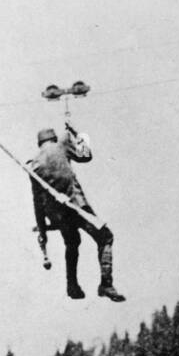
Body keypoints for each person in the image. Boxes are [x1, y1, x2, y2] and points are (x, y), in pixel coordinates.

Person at [30, 123, 125, 302]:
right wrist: (75, 132)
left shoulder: (33, 165)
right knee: (105, 237)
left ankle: (72, 286)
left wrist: (43, 232)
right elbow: (86, 155)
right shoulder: (62, 145)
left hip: (57, 213)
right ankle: (106, 284)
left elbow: (37, 203)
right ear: (53, 139)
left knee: (72, 242)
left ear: (39, 144)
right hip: (77, 206)